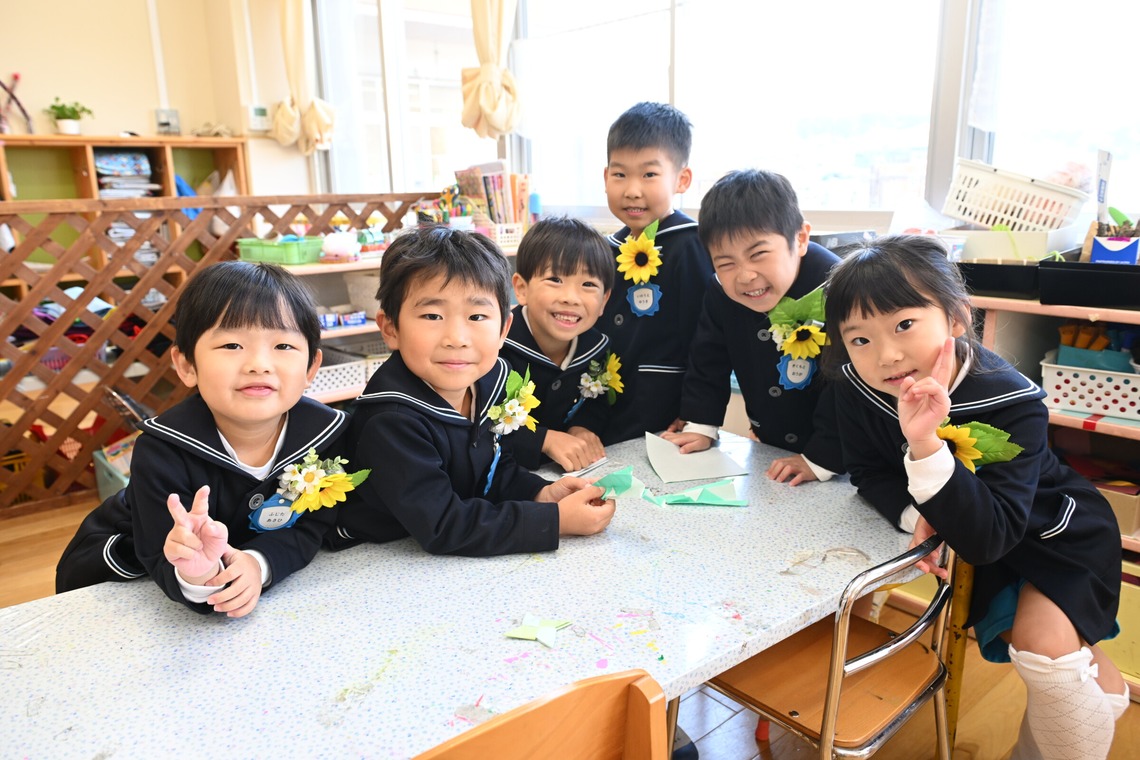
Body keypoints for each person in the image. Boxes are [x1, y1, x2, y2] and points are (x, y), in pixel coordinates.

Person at [822, 235, 1128, 759]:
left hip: (1054, 531)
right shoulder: (857, 383)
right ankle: (1099, 698)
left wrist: (923, 444)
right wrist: (917, 510)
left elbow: (993, 533)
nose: (887, 355)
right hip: (978, 537)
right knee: (1058, 662)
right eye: (860, 339)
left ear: (957, 317)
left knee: (1046, 655)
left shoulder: (1013, 399)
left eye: (903, 325)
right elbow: (868, 471)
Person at [56, 261, 356, 618]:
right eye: (231, 344)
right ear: (186, 366)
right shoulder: (162, 448)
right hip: (131, 563)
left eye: (283, 346)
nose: (259, 364)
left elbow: (311, 525)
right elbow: (161, 551)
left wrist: (258, 563)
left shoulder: (328, 435)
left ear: (311, 368)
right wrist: (200, 574)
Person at [328, 225, 615, 556]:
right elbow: (443, 525)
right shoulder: (390, 421)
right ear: (390, 328)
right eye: (433, 315)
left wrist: (542, 494)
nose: (457, 337)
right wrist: (554, 520)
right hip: (371, 557)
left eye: (477, 316)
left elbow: (493, 467)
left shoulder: (488, 382)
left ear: (504, 328)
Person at [660, 170, 841, 482]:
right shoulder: (720, 292)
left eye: (758, 254)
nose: (745, 276)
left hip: (841, 457)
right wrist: (701, 426)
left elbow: (850, 386)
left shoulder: (840, 289)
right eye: (726, 263)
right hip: (771, 450)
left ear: (800, 239)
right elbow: (708, 360)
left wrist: (821, 458)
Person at [599, 101, 714, 444]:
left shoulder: (688, 244)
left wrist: (696, 413)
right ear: (606, 177)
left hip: (666, 414)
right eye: (620, 174)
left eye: (649, 174)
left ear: (682, 179)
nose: (632, 189)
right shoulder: (608, 248)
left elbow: (704, 337)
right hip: (609, 408)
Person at [500, 216, 619, 472]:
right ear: (521, 288)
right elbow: (479, 422)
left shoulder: (596, 349)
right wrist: (543, 440)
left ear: (604, 301)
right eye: (555, 280)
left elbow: (596, 402)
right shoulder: (495, 348)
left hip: (565, 476)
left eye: (588, 284)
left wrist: (584, 427)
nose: (570, 298)